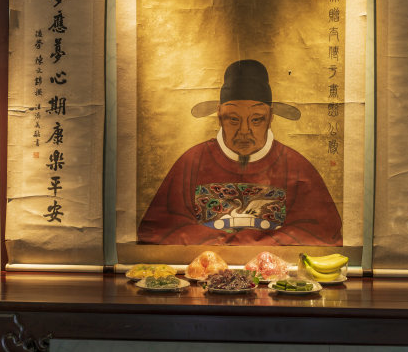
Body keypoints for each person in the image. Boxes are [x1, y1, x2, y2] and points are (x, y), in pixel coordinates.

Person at [138, 59, 342, 246]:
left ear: (270, 117)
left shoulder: (297, 166)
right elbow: (159, 229)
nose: (245, 131)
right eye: (233, 119)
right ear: (219, 116)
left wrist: (255, 245)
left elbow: (321, 231)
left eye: (256, 119)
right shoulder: (192, 162)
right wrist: (222, 244)